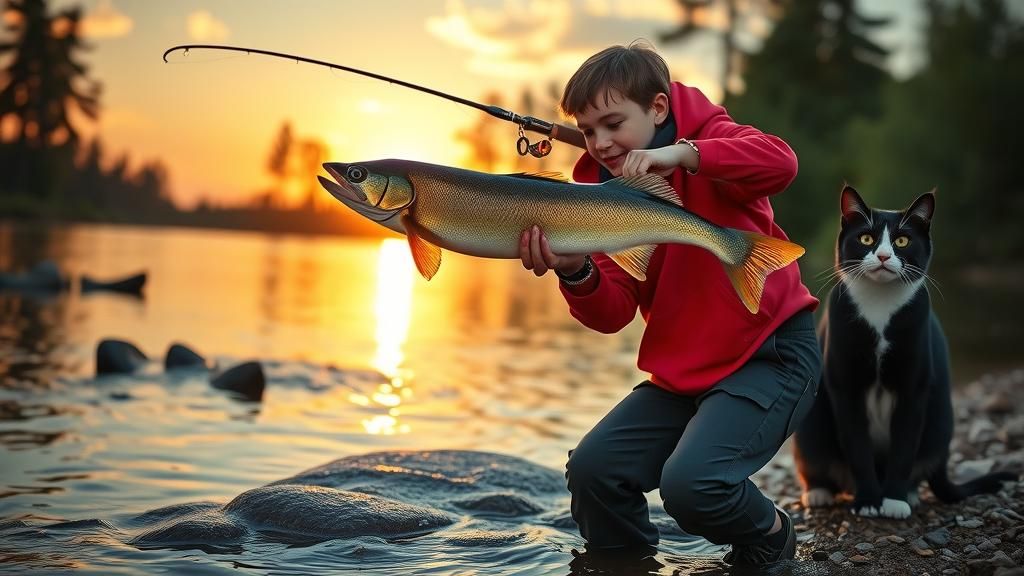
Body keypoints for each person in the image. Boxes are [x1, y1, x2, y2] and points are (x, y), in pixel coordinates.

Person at [518, 41, 821, 567]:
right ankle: (623, 561)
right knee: (593, 469)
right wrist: (576, 270)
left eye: (613, 124)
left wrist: (681, 155)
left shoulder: (713, 139)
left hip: (771, 357)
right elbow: (611, 313)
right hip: (682, 377)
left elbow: (781, 162)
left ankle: (771, 534)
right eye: (589, 132)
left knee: (692, 486)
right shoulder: (596, 197)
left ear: (658, 108)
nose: (600, 143)